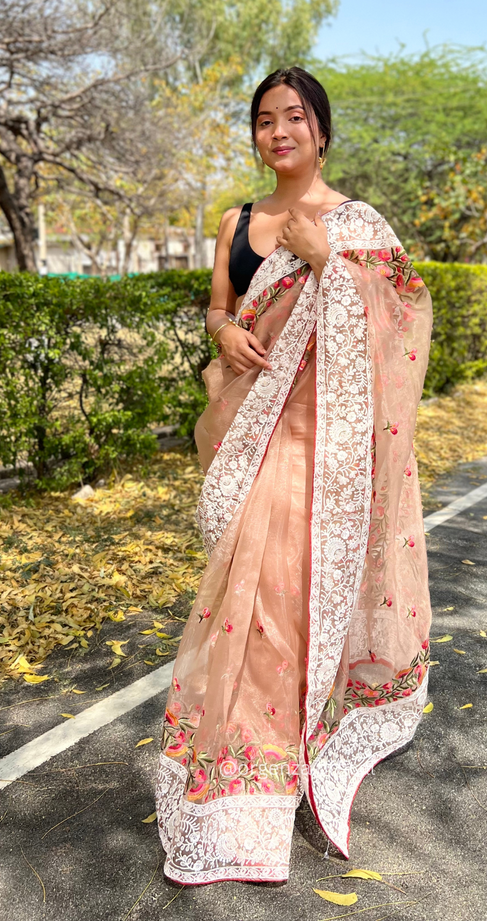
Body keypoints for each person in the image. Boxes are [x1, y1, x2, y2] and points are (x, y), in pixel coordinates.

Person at [155, 66, 433, 885]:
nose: (279, 132)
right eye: (265, 120)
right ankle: (244, 773)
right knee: (247, 602)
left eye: (295, 118)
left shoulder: (353, 222)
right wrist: (222, 335)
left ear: (321, 130)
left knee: (291, 600)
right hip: (251, 428)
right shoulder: (237, 218)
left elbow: (408, 313)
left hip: (325, 443)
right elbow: (220, 302)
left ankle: (290, 753)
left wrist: (331, 264)